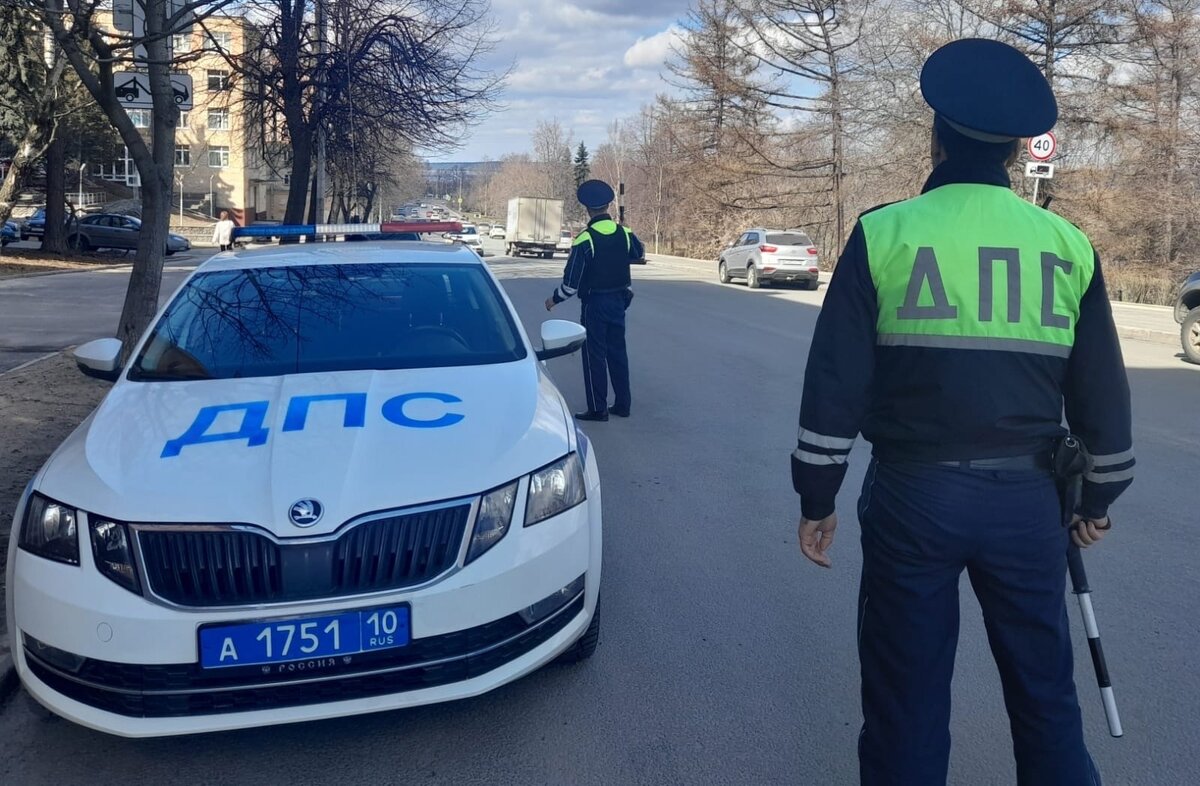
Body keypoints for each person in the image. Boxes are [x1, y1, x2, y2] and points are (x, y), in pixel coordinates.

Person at [791, 38, 1133, 786]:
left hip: (914, 497)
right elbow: (1104, 392)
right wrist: (1098, 497)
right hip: (1030, 504)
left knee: (906, 701)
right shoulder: (1068, 244)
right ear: (1016, 150)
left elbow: (835, 382)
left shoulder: (886, 232)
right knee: (1045, 697)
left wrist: (818, 496)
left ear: (937, 135)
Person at [545, 179, 645, 422]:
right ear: (608, 207)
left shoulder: (585, 240)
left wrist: (554, 299)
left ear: (588, 209)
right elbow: (639, 254)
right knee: (618, 353)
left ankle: (598, 409)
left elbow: (571, 283)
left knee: (594, 355)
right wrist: (627, 232)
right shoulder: (624, 233)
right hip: (620, 301)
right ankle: (623, 404)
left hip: (595, 304)